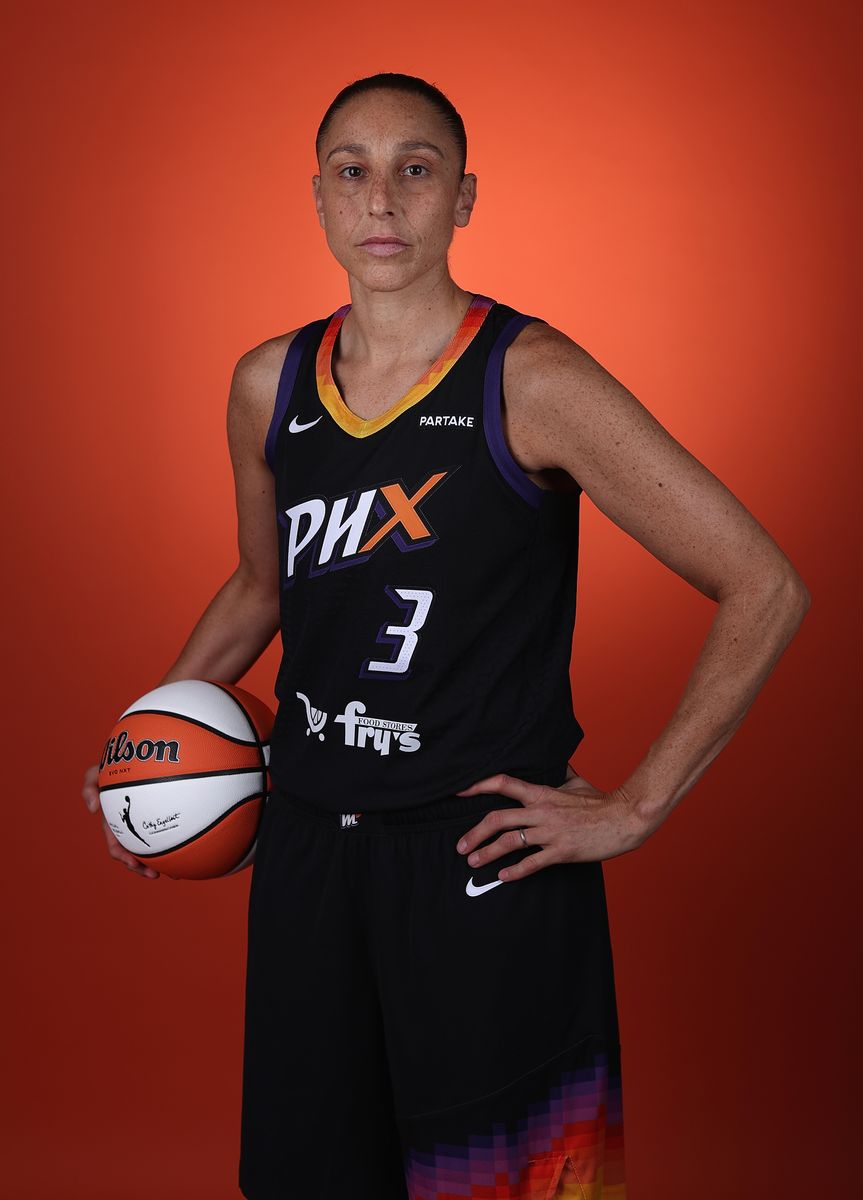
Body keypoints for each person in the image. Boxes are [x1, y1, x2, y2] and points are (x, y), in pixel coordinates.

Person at [82, 71, 810, 1199]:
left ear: (461, 198)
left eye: (415, 170)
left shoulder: (530, 378)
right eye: (351, 171)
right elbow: (260, 586)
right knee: (310, 1175)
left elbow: (762, 584)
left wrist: (635, 805)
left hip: (481, 853)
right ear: (316, 198)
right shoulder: (266, 385)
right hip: (311, 845)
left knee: (507, 1181)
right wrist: (149, 733)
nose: (382, 199)